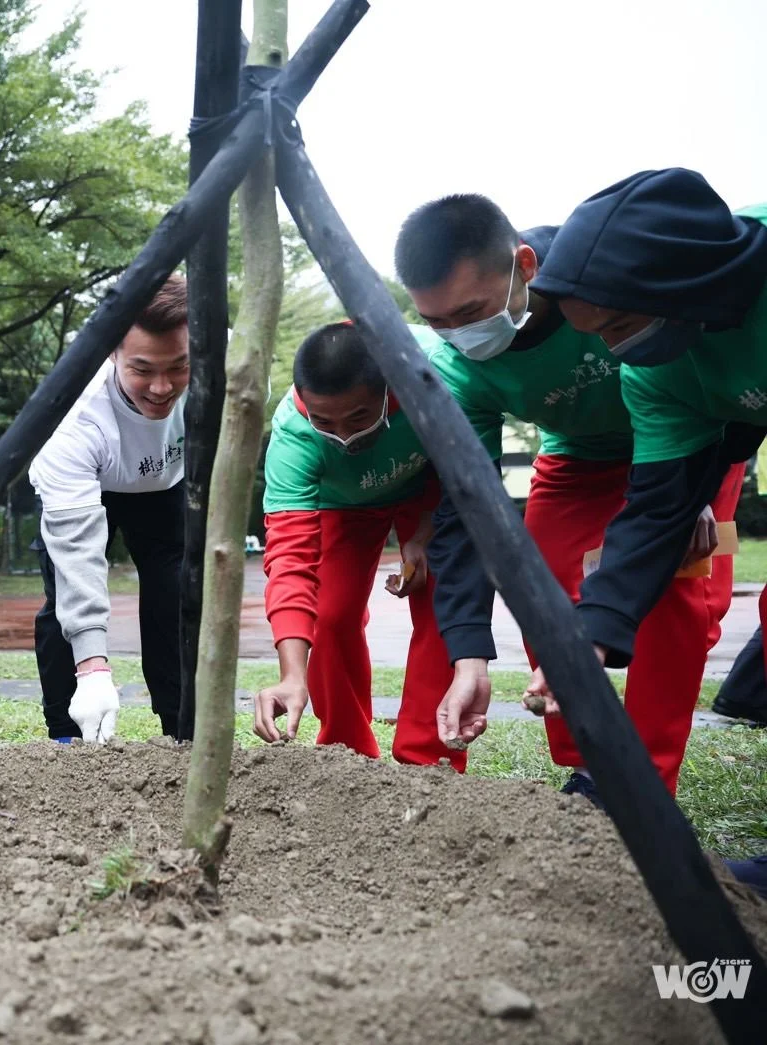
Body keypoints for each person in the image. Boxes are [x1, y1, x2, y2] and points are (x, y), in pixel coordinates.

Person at [394, 192, 742, 800]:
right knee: (541, 590)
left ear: (525, 266)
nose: (458, 335)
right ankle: (591, 762)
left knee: (676, 592)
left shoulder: (604, 271)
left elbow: (712, 364)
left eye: (470, 311)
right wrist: (468, 653)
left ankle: (640, 784)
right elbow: (469, 507)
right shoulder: (454, 368)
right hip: (579, 456)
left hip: (691, 438)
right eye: (436, 322)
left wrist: (699, 488)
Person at [487, 168, 766, 892]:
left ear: (676, 284)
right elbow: (657, 509)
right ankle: (605, 775)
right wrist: (590, 636)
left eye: (616, 327)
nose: (611, 353)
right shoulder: (655, 373)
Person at [254, 321, 456, 767]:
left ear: (388, 388)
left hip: (428, 486)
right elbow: (289, 560)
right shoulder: (292, 434)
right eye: (326, 421)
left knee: (444, 595)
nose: (345, 437)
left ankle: (429, 760)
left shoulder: (438, 371)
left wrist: (423, 535)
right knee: (329, 614)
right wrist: (292, 674)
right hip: (341, 503)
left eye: (359, 418)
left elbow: (470, 462)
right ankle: (348, 754)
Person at [28, 275, 190, 743]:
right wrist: (94, 669)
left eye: (177, 367)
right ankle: (66, 732)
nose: (162, 387)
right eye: (143, 369)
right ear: (113, 353)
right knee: (64, 601)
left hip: (165, 484)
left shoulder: (229, 368)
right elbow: (80, 560)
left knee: (176, 594)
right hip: (89, 482)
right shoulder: (76, 421)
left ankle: (182, 729)